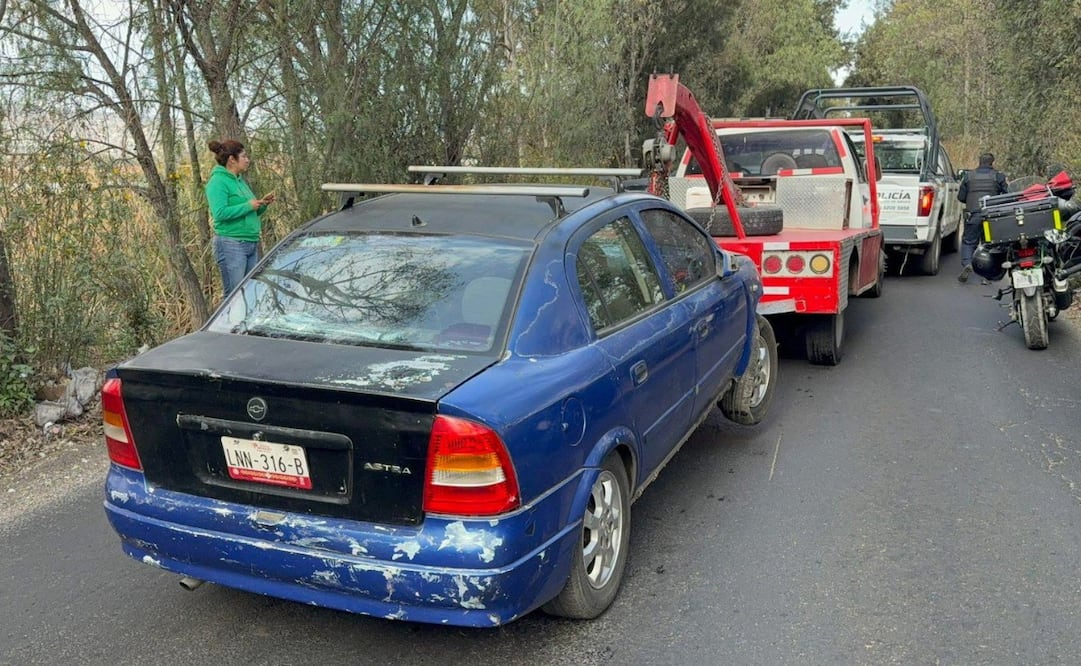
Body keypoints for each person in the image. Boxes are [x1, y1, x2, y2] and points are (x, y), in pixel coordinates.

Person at [205, 139, 276, 295]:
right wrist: (248, 206)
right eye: (243, 156)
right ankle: (228, 320)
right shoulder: (217, 182)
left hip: (250, 242)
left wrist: (262, 204)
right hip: (231, 243)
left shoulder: (240, 182)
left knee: (250, 293)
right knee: (234, 295)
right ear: (232, 159)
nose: (247, 160)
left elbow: (249, 212)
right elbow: (219, 213)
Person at [956, 152, 1007, 283]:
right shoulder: (998, 176)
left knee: (969, 242)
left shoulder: (968, 176)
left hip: (973, 215)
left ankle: (968, 264)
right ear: (992, 162)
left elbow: (961, 197)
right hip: (991, 217)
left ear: (979, 162)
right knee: (989, 244)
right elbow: (1007, 195)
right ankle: (986, 276)